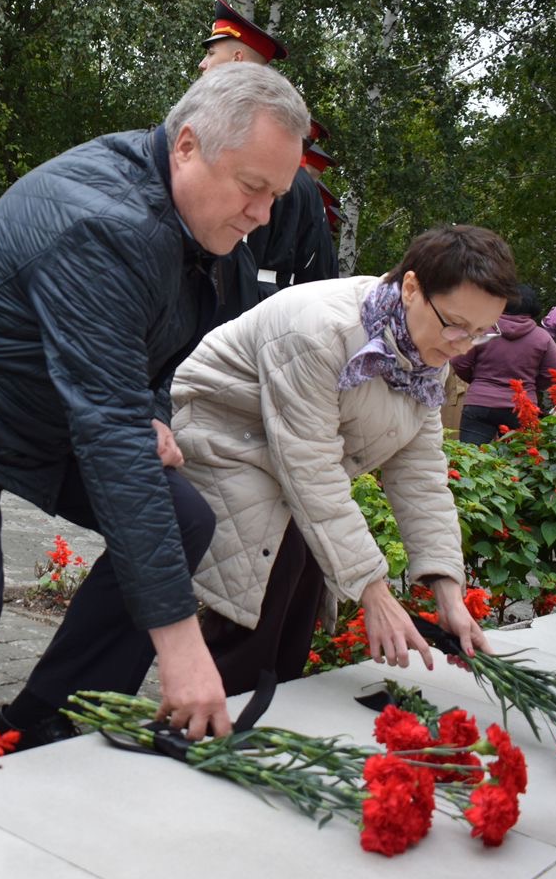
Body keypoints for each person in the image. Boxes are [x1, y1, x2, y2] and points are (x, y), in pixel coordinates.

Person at [0, 63, 311, 748]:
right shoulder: (105, 222)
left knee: (182, 520)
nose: (263, 214)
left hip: (51, 409)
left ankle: (43, 722)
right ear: (186, 147)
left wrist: (154, 409)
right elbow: (111, 440)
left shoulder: (216, 234)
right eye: (253, 188)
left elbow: (156, 357)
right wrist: (179, 644)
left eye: (277, 194)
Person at [175, 225, 517, 695]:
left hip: (287, 452)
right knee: (272, 563)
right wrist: (373, 591)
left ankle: (272, 704)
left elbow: (421, 477)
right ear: (412, 288)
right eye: (456, 325)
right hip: (224, 434)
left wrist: (448, 593)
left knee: (310, 576)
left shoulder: (426, 357)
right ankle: (217, 714)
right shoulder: (319, 331)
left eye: (481, 334)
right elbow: (309, 469)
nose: (462, 346)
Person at [196, 0, 337, 318]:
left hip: (241, 314)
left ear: (236, 58)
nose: (202, 64)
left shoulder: (237, 160)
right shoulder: (295, 178)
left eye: (210, 53)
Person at [451, 283, 556, 444]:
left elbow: (459, 362)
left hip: (480, 402)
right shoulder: (542, 337)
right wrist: (532, 386)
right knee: (520, 462)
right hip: (522, 407)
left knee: (471, 459)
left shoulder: (482, 330)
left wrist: (477, 380)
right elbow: (554, 374)